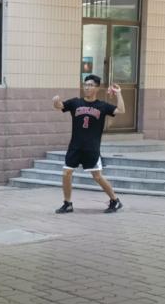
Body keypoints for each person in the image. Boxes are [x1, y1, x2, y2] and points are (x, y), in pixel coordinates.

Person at [53, 75, 125, 214]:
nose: (87, 87)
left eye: (90, 85)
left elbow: (121, 110)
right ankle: (67, 203)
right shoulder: (75, 102)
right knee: (66, 173)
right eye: (85, 84)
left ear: (97, 88)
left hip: (91, 147)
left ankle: (115, 200)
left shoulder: (102, 106)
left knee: (97, 176)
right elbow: (59, 106)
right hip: (75, 146)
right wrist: (55, 101)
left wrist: (118, 93)